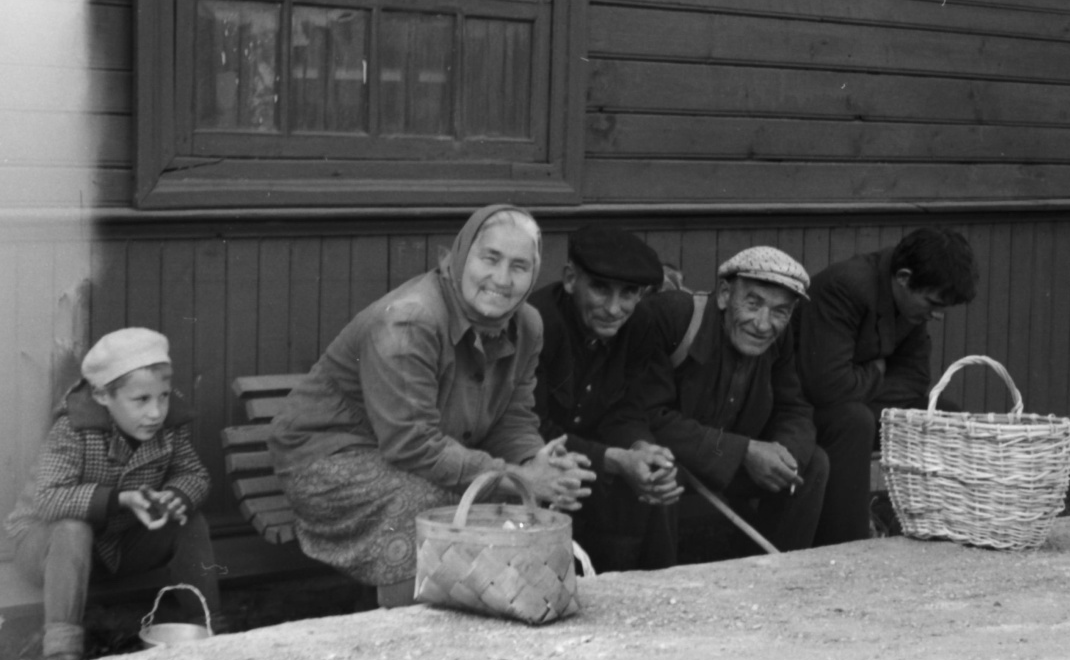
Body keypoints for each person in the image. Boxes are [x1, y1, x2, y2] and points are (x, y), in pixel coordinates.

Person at [268, 204, 595, 608]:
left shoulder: (526, 324)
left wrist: (536, 462)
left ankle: (483, 631)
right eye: (489, 259)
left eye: (519, 266)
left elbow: (512, 416)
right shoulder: (410, 321)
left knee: (503, 505)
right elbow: (412, 443)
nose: (501, 279)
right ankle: (410, 640)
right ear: (461, 256)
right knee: (429, 511)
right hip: (326, 457)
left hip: (409, 456)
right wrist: (519, 478)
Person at [4, 328, 221, 660]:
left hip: (118, 547)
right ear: (104, 395)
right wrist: (120, 499)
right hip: (48, 551)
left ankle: (211, 632)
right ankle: (62, 653)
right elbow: (47, 498)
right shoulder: (75, 428)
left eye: (163, 396)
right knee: (73, 528)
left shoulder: (169, 427)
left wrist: (176, 496)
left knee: (189, 520)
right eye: (141, 400)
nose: (156, 412)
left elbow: (194, 474)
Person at [632, 246, 828, 554]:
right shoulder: (674, 316)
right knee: (659, 468)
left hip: (729, 458)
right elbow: (648, 416)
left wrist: (786, 457)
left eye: (780, 311)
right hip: (678, 456)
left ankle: (778, 576)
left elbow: (793, 407)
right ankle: (664, 585)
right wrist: (744, 452)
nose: (764, 324)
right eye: (753, 303)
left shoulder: (779, 336)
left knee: (812, 462)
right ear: (724, 294)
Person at [795, 227, 979, 545]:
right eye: (933, 303)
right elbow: (825, 387)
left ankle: (934, 527)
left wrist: (863, 377)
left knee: (942, 415)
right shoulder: (848, 286)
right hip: (802, 412)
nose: (937, 315)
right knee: (854, 421)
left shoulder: (907, 298)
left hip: (853, 403)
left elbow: (915, 381)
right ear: (904, 277)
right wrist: (878, 372)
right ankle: (845, 545)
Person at [529, 224, 683, 573]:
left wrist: (640, 447)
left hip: (598, 453)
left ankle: (659, 591)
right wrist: (615, 460)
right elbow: (533, 428)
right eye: (600, 288)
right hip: (537, 456)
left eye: (628, 293)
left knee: (663, 478)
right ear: (570, 279)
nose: (615, 309)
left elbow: (627, 407)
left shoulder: (640, 323)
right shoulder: (538, 324)